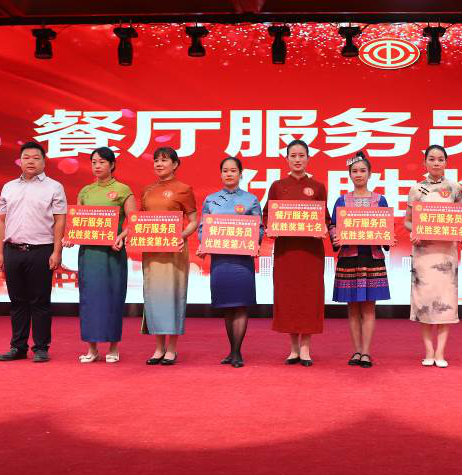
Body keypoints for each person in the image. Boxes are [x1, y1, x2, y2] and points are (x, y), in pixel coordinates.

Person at [0, 141, 67, 363]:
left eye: (36, 158)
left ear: (44, 162)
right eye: (26, 157)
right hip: (12, 250)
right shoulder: (9, 187)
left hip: (41, 250)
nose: (31, 162)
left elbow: (60, 221)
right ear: (20, 161)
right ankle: (18, 347)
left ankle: (41, 348)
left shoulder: (54, 187)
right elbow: (1, 220)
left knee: (40, 301)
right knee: (17, 301)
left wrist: (57, 251)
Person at [62, 147, 136, 363]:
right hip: (89, 254)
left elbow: (133, 221)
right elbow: (78, 223)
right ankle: (91, 348)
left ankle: (113, 347)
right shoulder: (86, 191)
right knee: (89, 299)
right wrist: (71, 236)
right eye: (94, 162)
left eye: (102, 162)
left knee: (113, 298)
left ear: (112, 165)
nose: (97, 166)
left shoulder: (123, 190)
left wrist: (121, 236)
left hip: (112, 254)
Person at [265, 139, 329, 366]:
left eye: (301, 155)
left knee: (309, 296)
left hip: (310, 253)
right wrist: (270, 228)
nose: (297, 160)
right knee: (289, 295)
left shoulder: (318, 187)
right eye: (293, 156)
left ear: (308, 158)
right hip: (287, 252)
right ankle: (293, 348)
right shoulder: (277, 186)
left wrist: (323, 227)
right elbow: (267, 215)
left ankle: (305, 348)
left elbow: (325, 218)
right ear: (287, 159)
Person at [405, 145, 462, 368]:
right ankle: (429, 351)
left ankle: (440, 352)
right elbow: (407, 220)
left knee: (445, 302)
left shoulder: (455, 188)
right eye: (431, 159)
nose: (436, 163)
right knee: (425, 302)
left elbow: (461, 219)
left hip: (446, 254)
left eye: (440, 159)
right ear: (424, 162)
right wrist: (414, 232)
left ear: (446, 162)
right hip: (424, 253)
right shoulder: (416, 189)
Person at [329, 151, 391, 368]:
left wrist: (388, 238)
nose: (358, 174)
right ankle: (356, 351)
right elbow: (333, 225)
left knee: (369, 307)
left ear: (370, 174)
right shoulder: (342, 200)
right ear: (349, 174)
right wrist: (335, 236)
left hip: (372, 257)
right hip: (349, 257)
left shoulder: (380, 200)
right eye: (354, 171)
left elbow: (386, 227)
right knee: (353, 307)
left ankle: (366, 352)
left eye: (363, 171)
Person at [198, 156, 261, 368]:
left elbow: (259, 228)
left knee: (240, 305)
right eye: (225, 170)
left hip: (241, 261)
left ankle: (236, 352)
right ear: (221, 174)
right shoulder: (211, 200)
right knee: (227, 306)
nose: (229, 174)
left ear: (241, 174)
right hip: (220, 260)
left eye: (233, 170)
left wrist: (256, 242)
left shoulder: (251, 200)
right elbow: (202, 228)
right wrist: (204, 242)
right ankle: (232, 350)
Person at [140, 147, 198, 365]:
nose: (159, 164)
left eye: (164, 160)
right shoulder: (148, 190)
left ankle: (172, 348)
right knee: (154, 295)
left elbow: (194, 221)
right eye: (156, 160)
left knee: (173, 295)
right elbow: (141, 221)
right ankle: (158, 348)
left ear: (175, 164)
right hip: (152, 250)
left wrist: (181, 236)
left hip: (174, 250)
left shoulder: (183, 189)